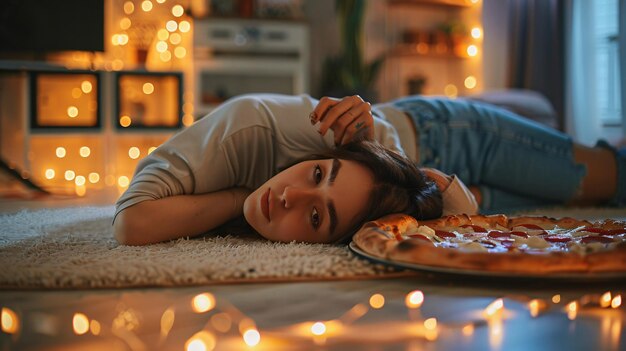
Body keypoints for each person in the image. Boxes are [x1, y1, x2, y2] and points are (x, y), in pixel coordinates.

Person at [113, 94, 625, 246]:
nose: (288, 197)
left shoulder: (252, 127)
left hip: (449, 136)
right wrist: (240, 201)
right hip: (429, 193)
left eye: (316, 175)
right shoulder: (377, 220)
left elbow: (133, 220)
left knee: (607, 179)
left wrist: (242, 197)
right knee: (572, 215)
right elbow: (133, 225)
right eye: (317, 219)